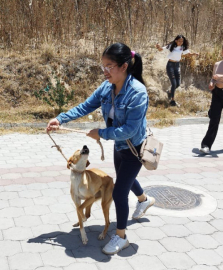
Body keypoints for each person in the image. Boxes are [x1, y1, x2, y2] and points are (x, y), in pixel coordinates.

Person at [46, 43, 155, 255]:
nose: (105, 71)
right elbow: (86, 106)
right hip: (119, 146)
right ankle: (144, 199)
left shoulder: (138, 93)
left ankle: (121, 236)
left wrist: (101, 134)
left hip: (135, 148)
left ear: (124, 66)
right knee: (125, 178)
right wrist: (60, 119)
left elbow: (130, 130)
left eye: (110, 66)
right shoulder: (107, 87)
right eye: (103, 66)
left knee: (120, 191)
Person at [156, 34, 198, 106]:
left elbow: (188, 54)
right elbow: (161, 49)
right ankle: (172, 100)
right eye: (179, 41)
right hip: (170, 65)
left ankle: (169, 92)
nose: (180, 42)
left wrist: (194, 54)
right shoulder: (171, 46)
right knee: (174, 83)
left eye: (182, 41)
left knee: (178, 84)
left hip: (177, 65)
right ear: (176, 41)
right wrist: (158, 47)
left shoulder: (183, 47)